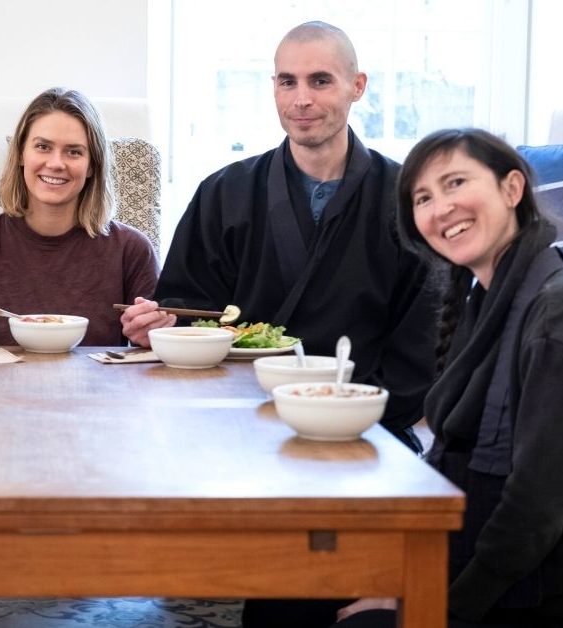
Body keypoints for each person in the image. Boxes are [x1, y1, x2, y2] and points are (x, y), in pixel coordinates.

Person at [318, 129, 563, 628]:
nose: (440, 207)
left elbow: (535, 513)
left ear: (512, 190)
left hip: (540, 592)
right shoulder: (483, 300)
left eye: (456, 183)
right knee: (311, 595)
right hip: (482, 562)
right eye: (423, 197)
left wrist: (432, 605)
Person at [119, 21, 436, 448]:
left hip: (364, 421)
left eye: (320, 81)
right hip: (238, 419)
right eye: (288, 82)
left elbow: (426, 336)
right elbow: (187, 309)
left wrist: (354, 411)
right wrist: (162, 325)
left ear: (357, 86)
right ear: (273, 87)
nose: (301, 99)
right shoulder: (223, 192)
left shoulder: (408, 198)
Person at [0, 87, 159, 345]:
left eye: (74, 151)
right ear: (22, 155)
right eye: (43, 147)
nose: (56, 163)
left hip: (100, 386)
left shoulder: (132, 251)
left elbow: (151, 356)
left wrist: (152, 335)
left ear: (92, 164)